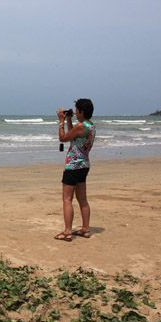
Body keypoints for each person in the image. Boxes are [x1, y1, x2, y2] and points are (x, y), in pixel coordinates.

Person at [54, 98, 96, 242]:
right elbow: (74, 135)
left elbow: (63, 138)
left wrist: (61, 121)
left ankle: (67, 231)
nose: (75, 112)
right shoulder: (90, 126)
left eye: (77, 110)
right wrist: (69, 120)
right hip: (84, 164)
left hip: (73, 166)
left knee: (67, 199)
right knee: (82, 199)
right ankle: (85, 228)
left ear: (81, 111)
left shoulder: (80, 127)